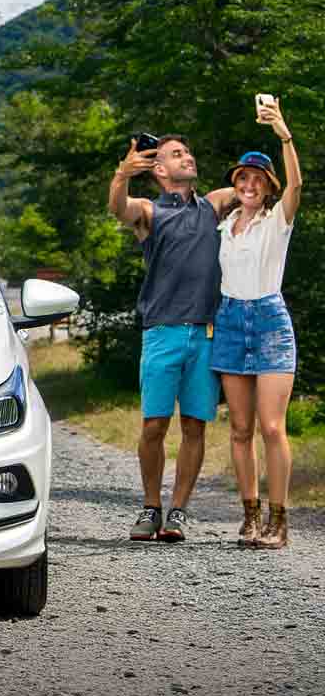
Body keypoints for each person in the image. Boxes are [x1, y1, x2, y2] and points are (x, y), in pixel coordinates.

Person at [109, 136, 234, 542]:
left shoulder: (213, 204)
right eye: (177, 154)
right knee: (154, 426)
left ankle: (178, 512)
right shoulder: (150, 211)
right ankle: (151, 507)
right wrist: (123, 174)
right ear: (160, 169)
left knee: (195, 426)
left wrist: (280, 140)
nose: (189, 157)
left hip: (206, 333)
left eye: (188, 152)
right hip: (162, 332)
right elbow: (119, 208)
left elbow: (255, 187)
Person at [211, 99, 301, 549]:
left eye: (257, 179)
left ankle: (278, 522)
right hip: (230, 322)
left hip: (269, 323)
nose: (249, 184)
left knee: (271, 427)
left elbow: (296, 184)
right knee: (240, 430)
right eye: (242, 178)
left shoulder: (277, 222)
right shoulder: (224, 226)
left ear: (268, 188)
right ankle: (250, 517)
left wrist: (283, 134)